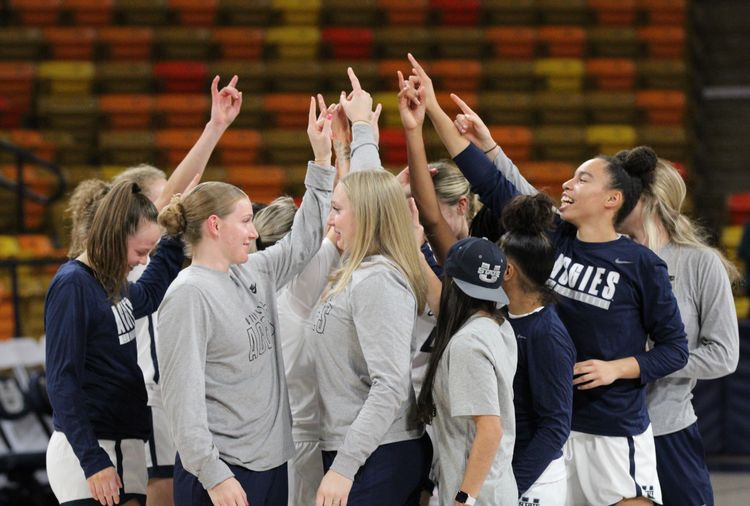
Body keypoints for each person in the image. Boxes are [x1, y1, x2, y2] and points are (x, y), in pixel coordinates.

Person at [403, 54, 689, 505]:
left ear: (611, 199)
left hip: (610, 427)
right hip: (551, 427)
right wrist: (433, 109)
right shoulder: (555, 235)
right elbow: (489, 180)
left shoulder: (641, 264)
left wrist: (619, 367)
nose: (568, 185)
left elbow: (675, 348)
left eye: (583, 178)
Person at [63, 74, 243, 506]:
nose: (171, 210)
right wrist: (213, 128)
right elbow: (62, 380)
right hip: (148, 399)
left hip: (141, 412)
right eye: (162, 203)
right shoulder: (91, 277)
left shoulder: (133, 273)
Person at [155, 97, 335, 506]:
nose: (255, 233)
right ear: (215, 226)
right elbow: (181, 402)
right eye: (246, 221)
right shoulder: (188, 295)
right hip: (223, 474)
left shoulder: (252, 270)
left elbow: (303, 243)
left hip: (271, 463)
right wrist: (214, 474)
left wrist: (322, 160)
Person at [45, 180, 185, 506]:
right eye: (140, 251)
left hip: (125, 443)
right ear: (115, 236)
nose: (143, 261)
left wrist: (175, 236)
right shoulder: (72, 284)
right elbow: (62, 381)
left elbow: (148, 293)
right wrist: (93, 461)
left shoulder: (111, 284)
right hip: (91, 449)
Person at [619, 159, 740, 506]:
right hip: (604, 433)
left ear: (649, 201)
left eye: (625, 193)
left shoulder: (701, 263)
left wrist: (647, 363)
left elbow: (724, 354)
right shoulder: (605, 255)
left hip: (668, 433)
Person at [416, 236, 517, 506]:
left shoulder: (467, 345)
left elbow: (490, 430)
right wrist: (414, 249)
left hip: (477, 494)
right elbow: (445, 308)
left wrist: (464, 500)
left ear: (453, 284)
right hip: (493, 487)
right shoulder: (497, 325)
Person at [499, 194, 575, 505]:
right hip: (504, 470)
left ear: (508, 272)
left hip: (532, 480)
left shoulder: (547, 335)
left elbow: (555, 426)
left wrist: (511, 486)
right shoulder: (501, 317)